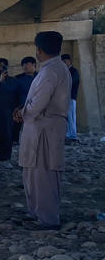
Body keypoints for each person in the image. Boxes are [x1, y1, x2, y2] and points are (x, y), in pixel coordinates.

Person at [13, 31, 70, 230]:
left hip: (45, 128)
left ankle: (47, 219)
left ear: (39, 49)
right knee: (33, 173)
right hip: (40, 127)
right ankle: (36, 213)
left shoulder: (50, 71)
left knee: (43, 174)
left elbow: (39, 103)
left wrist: (22, 112)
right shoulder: (55, 68)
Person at [12, 56, 37, 143]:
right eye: (23, 65)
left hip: (36, 105)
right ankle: (14, 140)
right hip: (20, 105)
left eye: (27, 64)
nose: (25, 66)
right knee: (16, 123)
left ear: (34, 65)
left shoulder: (40, 77)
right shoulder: (17, 78)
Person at [61, 53, 80, 141]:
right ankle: (68, 133)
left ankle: (73, 134)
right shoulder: (64, 72)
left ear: (69, 61)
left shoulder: (73, 71)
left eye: (65, 62)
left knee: (71, 116)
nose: (64, 64)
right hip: (64, 97)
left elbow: (71, 83)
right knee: (66, 117)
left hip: (71, 97)